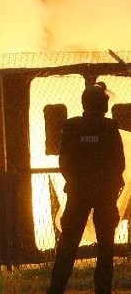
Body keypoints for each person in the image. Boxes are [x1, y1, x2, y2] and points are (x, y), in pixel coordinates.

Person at [46, 82, 125, 294]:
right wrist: (109, 188)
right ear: (101, 104)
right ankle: (102, 289)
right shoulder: (109, 127)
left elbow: (65, 162)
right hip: (104, 196)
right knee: (106, 247)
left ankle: (56, 289)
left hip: (77, 194)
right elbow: (119, 164)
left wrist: (75, 183)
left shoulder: (71, 126)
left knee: (68, 246)